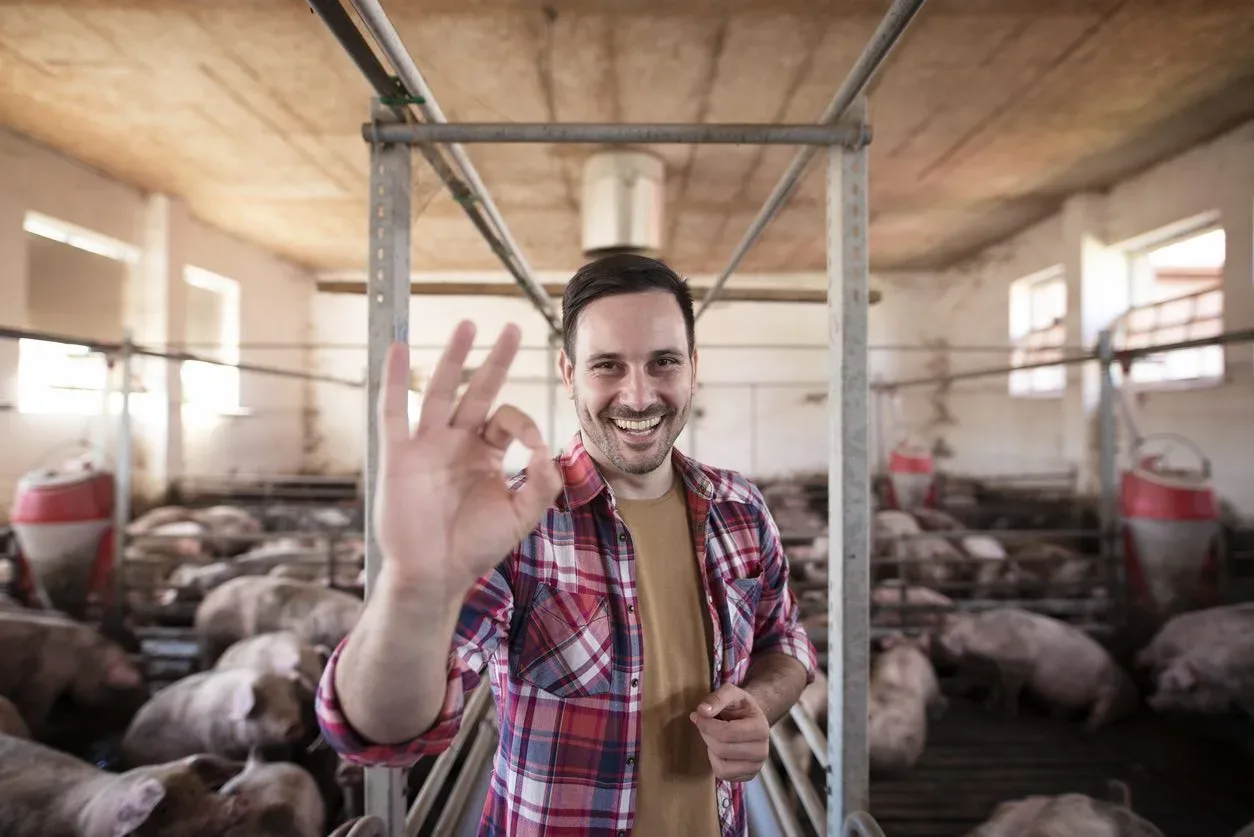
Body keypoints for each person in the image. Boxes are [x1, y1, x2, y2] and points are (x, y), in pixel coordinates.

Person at [315, 253, 819, 836]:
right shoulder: (513, 523)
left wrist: (760, 704)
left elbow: (784, 640)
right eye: (608, 365)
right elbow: (381, 733)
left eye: (663, 362)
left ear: (693, 367)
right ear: (569, 372)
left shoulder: (741, 508)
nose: (638, 396)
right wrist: (412, 589)